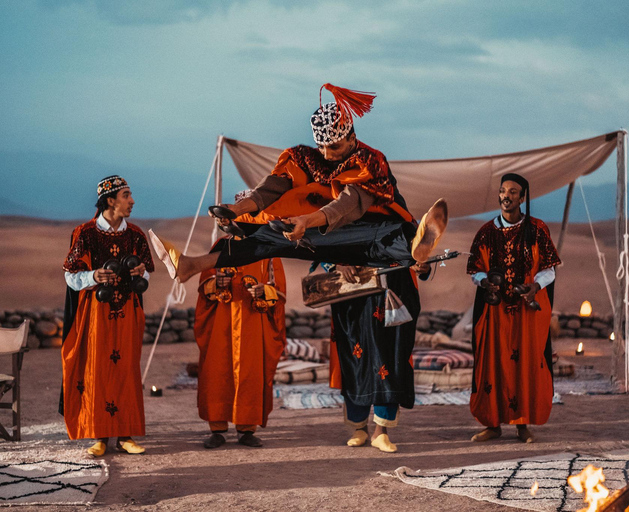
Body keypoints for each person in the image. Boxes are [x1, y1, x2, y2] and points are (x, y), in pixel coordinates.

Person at [148, 83, 447, 282]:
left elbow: (349, 204)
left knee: (393, 236)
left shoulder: (369, 160)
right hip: (321, 235)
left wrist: (308, 219)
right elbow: (273, 187)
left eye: (336, 147)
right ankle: (191, 265)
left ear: (352, 138)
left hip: (364, 229)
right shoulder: (302, 157)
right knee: (266, 235)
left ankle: (415, 247)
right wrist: (238, 209)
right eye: (323, 148)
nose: (328, 154)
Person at [60, 175, 154, 457]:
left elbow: (146, 271)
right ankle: (99, 436)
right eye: (127, 195)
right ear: (110, 200)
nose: (132, 201)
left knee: (126, 370)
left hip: (127, 312)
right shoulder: (85, 233)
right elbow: (70, 275)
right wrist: (92, 275)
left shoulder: (136, 234)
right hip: (95, 313)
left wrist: (140, 272)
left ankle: (125, 435)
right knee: (97, 370)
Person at [466, 173, 561, 444]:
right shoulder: (485, 232)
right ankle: (492, 424)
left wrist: (535, 287)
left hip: (525, 313)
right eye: (503, 191)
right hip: (494, 313)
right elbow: (474, 269)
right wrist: (484, 281)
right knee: (491, 364)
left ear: (522, 197)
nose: (506, 196)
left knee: (526, 364)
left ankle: (522, 425)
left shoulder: (537, 229)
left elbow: (549, 269)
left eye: (513, 192)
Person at [194, 192, 287, 449]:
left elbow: (278, 289)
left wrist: (264, 292)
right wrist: (216, 283)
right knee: (217, 372)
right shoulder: (220, 247)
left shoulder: (268, 248)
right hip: (221, 323)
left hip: (252, 322)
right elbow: (204, 285)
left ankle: (247, 428)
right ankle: (217, 428)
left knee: (250, 374)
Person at [327, 262, 427, 453]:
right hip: (353, 294)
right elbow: (321, 248)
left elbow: (416, 249)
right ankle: (359, 428)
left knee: (390, 359)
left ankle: (381, 432)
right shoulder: (339, 230)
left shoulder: (399, 231)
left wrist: (422, 266)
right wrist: (338, 266)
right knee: (355, 359)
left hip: (393, 290)